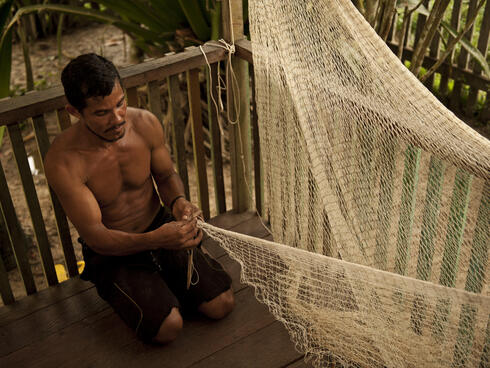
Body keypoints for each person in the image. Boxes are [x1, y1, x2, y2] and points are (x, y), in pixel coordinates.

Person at [44, 53, 234, 344]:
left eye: (120, 103)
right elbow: (96, 236)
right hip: (113, 252)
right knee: (168, 328)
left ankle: (168, 277)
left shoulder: (145, 123)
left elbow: (166, 177)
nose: (117, 118)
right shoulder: (64, 161)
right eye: (101, 113)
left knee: (221, 304)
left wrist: (179, 202)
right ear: (74, 111)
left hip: (160, 226)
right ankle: (141, 285)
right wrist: (157, 240)